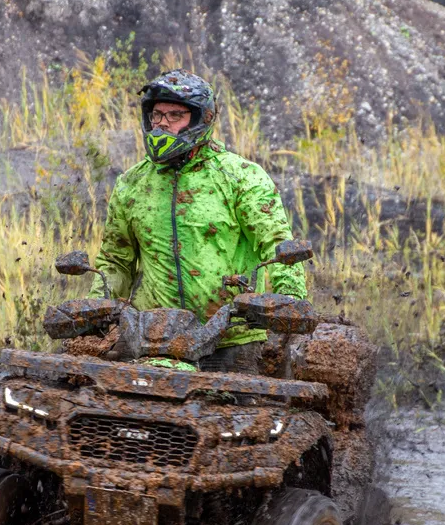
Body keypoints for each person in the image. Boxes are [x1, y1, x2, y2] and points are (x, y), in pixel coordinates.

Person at [88, 70, 307, 373]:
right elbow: (115, 260)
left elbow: (277, 245)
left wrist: (289, 303)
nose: (162, 123)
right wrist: (93, 311)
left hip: (232, 338)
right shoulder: (132, 183)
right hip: (151, 340)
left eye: (175, 115)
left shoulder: (241, 177)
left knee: (248, 416)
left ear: (200, 119)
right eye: (157, 115)